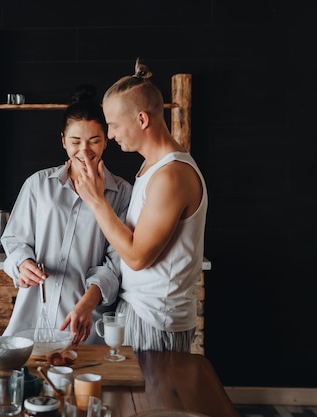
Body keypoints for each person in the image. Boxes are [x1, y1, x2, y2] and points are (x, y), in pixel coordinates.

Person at [75, 60, 208, 352]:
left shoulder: (171, 175)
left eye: (113, 125)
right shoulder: (153, 166)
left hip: (156, 320)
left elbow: (137, 257)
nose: (110, 135)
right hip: (140, 312)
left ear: (142, 120)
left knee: (153, 399)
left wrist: (96, 201)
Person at [0, 85, 132, 345]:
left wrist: (87, 302)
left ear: (106, 139)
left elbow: (116, 263)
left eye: (94, 140)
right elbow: (14, 239)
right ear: (63, 140)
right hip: (32, 320)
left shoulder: (122, 194)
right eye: (75, 141)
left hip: (85, 323)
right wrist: (22, 263)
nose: (84, 150)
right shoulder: (38, 185)